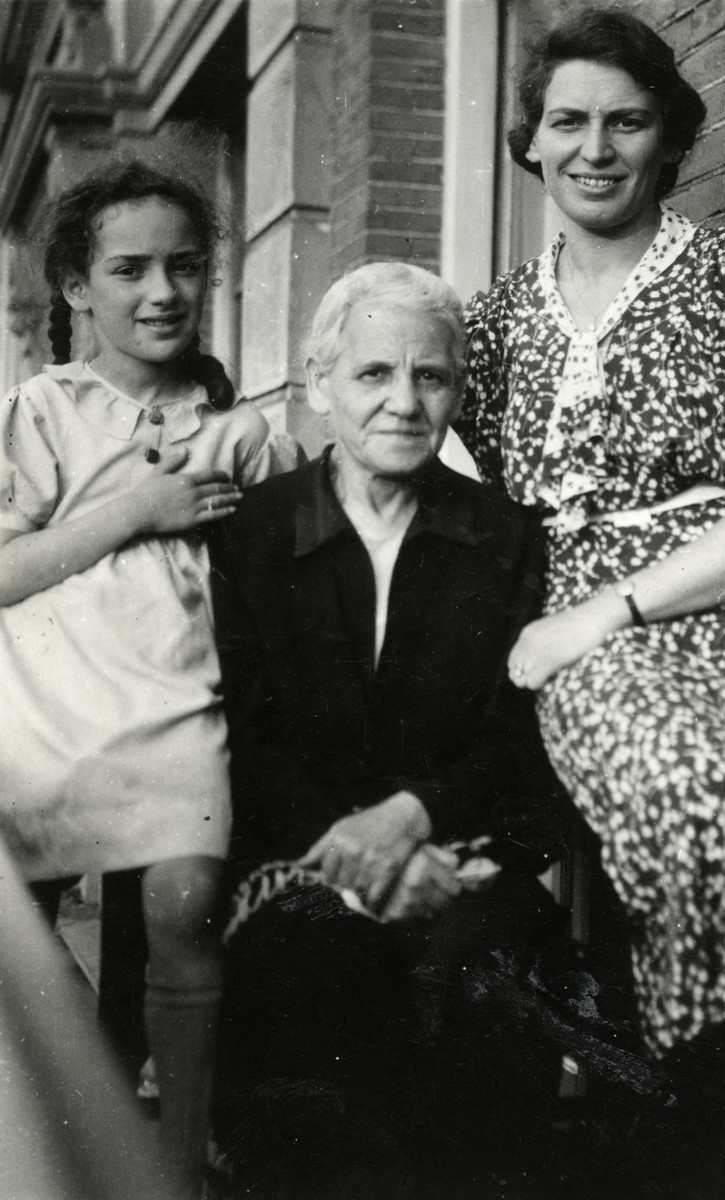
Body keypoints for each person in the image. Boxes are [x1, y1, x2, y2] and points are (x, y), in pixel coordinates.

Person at [209, 262, 564, 1199]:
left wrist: (412, 822)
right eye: (373, 374)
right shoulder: (252, 531)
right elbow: (247, 735)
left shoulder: (508, 536)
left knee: (491, 983)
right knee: (313, 976)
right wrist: (363, 857)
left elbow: (517, 738)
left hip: (465, 860)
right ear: (319, 384)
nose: (403, 403)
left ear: (457, 391)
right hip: (298, 864)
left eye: (431, 376)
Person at [459, 7, 725, 1061]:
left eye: (625, 123)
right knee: (694, 787)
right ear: (531, 143)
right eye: (568, 123)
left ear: (671, 139)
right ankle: (710, 1073)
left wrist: (620, 603)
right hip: (562, 620)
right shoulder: (493, 323)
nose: (594, 151)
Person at [0, 160, 297, 1199]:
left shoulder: (243, 431)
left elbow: (291, 582)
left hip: (177, 700)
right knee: (17, 946)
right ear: (79, 288)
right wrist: (132, 512)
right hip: (43, 704)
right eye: (129, 269)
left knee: (179, 904)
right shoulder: (41, 411)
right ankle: (36, 1156)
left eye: (183, 266)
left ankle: (170, 1172)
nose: (161, 291)